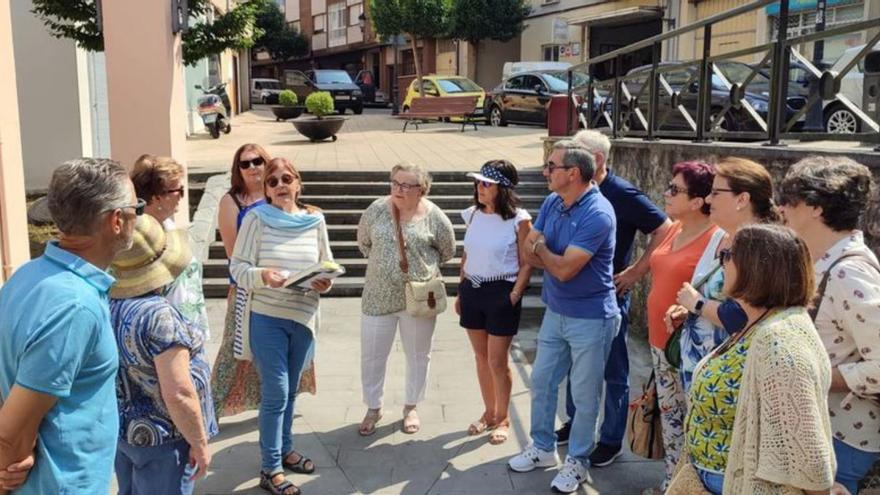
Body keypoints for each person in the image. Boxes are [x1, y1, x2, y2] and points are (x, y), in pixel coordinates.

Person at [0, 158, 140, 494]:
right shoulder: (76, 307)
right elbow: (12, 433)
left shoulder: (28, 275)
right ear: (116, 220)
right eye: (139, 207)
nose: (141, 216)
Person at [669, 224, 835, 495]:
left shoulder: (778, 342)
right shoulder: (761, 322)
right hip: (713, 477)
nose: (722, 260)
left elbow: (810, 458)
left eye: (729, 255)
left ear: (756, 269)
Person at [508, 140, 621, 494]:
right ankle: (542, 448)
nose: (545, 171)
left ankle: (577, 461)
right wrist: (545, 254)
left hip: (591, 317)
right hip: (556, 312)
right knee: (542, 381)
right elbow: (532, 254)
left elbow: (564, 270)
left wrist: (542, 250)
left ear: (572, 173)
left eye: (551, 166)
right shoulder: (553, 201)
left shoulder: (598, 213)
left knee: (585, 395)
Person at [555, 130, 672, 467]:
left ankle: (610, 439)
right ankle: (576, 423)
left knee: (613, 369)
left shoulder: (620, 193)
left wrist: (636, 270)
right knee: (576, 363)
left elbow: (665, 228)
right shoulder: (572, 192)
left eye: (578, 153)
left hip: (608, 294)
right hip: (574, 293)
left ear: (599, 160)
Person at [230, 158, 333, 495]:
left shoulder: (315, 219)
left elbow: (326, 262)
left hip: (303, 318)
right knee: (275, 393)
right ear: (267, 191)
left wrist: (323, 282)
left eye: (286, 179)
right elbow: (238, 268)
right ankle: (270, 466)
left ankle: (286, 449)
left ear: (298, 183)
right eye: (272, 182)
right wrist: (264, 276)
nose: (279, 186)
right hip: (267, 318)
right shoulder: (257, 219)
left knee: (290, 392)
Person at [779, 155, 880, 494]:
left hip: (841, 439)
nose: (782, 209)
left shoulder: (848, 272)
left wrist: (816, 376)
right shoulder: (823, 260)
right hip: (820, 428)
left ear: (816, 208)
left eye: (789, 199)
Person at [109, 215, 218, 494]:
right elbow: (179, 391)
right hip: (165, 438)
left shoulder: (111, 303)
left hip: (125, 433)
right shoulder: (158, 315)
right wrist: (200, 442)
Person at [356, 163, 456, 436]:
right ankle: (373, 407)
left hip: (419, 298)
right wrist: (383, 266)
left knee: (418, 355)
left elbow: (448, 250)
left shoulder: (435, 216)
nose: (398, 190)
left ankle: (411, 406)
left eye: (406, 185)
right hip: (378, 296)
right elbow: (363, 241)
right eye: (395, 183)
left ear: (421, 190)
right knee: (373, 356)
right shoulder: (377, 209)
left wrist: (421, 267)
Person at [669, 157, 780, 391]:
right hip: (700, 368)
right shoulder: (720, 235)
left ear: (742, 199)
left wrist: (697, 304)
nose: (708, 199)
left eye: (716, 193)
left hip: (728, 381)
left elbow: (746, 317)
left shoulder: (760, 248)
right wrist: (688, 309)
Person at [642, 161, 718, 493]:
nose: (666, 193)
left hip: (689, 347)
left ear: (698, 200)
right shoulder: (674, 227)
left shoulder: (717, 240)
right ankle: (671, 484)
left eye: (675, 189)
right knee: (671, 419)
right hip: (661, 343)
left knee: (692, 422)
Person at [455, 160, 533, 445]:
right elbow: (467, 254)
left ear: (503, 189)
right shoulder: (473, 215)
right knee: (481, 358)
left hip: (502, 291)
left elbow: (528, 262)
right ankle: (488, 413)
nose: (480, 188)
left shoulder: (519, 219)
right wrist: (461, 290)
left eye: (487, 183)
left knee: (497, 360)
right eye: (478, 182)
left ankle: (503, 418)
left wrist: (513, 295)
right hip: (473, 289)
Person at [211, 143, 268, 417]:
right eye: (245, 164)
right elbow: (232, 252)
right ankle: (212, 407)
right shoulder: (231, 202)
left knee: (272, 348)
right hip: (246, 285)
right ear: (238, 170)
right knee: (234, 348)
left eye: (257, 161)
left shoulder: (276, 194)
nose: (253, 167)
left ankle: (272, 403)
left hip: (276, 286)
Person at [130, 154, 210, 340]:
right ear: (158, 197)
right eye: (179, 190)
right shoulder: (137, 239)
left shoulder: (171, 228)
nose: (182, 196)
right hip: (163, 339)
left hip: (188, 335)